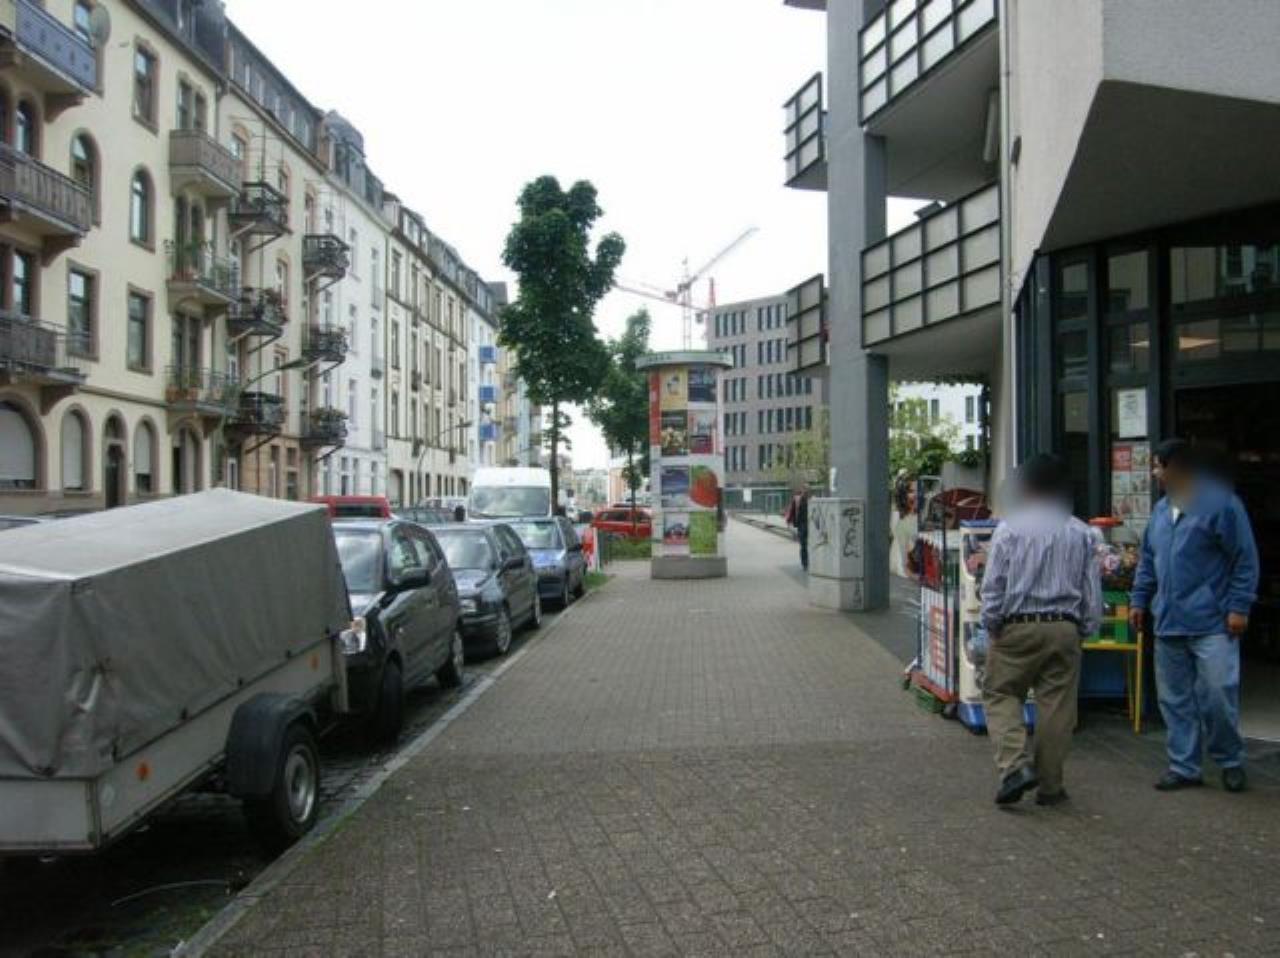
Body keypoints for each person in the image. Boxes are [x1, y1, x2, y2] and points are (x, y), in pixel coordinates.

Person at [1130, 439, 1259, 794]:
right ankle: (1183, 766)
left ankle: (1229, 760)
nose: (1154, 473)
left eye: (1157, 466)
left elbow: (1244, 559)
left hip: (1212, 622)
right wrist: (1139, 600)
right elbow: (1148, 560)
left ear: (1176, 468)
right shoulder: (1160, 511)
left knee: (1217, 695)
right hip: (1168, 621)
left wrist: (1239, 607)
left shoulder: (1222, 504)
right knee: (1175, 700)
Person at [979, 454, 1101, 807]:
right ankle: (1050, 786)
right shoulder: (1082, 532)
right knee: (1057, 707)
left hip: (1016, 628)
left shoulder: (1009, 529)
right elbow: (1091, 590)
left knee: (1000, 692)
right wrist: (1085, 629)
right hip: (1064, 627)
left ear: (1027, 487)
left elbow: (993, 586)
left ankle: (1015, 767)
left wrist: (992, 624)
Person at [785, 484, 811, 570]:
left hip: (811, 526)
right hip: (801, 525)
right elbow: (791, 510)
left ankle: (809, 562)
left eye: (808, 490)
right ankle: (805, 563)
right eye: (805, 489)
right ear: (802, 490)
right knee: (803, 545)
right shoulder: (797, 500)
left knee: (810, 545)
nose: (806, 491)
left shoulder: (812, 500)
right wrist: (788, 521)